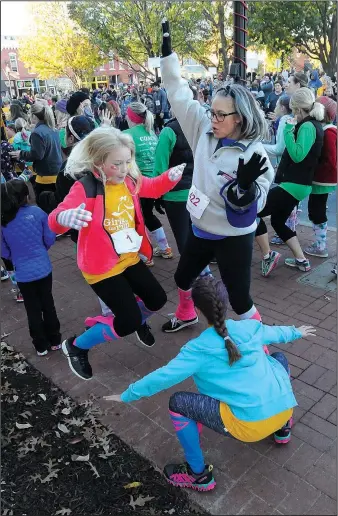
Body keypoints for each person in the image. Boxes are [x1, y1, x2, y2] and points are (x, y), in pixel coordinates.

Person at [103, 276, 316, 491]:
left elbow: (164, 376)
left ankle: (198, 475)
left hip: (248, 426)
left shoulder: (197, 349)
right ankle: (283, 428)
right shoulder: (251, 327)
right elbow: (278, 333)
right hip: (284, 408)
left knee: (178, 403)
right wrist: (296, 331)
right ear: (227, 301)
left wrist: (127, 395)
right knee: (278, 359)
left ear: (196, 307)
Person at [158, 19, 274, 334]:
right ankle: (186, 314)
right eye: (212, 111)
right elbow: (179, 95)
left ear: (240, 118)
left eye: (220, 114)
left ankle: (259, 346)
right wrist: (168, 59)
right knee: (182, 278)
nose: (213, 118)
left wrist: (246, 192)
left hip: (233, 236)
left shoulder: (255, 154)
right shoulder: (204, 132)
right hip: (201, 228)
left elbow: (260, 201)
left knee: (239, 301)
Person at [48, 127, 186, 380]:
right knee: (126, 319)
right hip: (101, 266)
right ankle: (77, 346)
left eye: (127, 161)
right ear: (99, 162)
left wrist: (171, 177)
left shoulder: (130, 180)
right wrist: (64, 217)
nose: (124, 168)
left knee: (156, 299)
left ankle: (137, 321)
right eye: (117, 164)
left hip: (128, 257)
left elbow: (153, 187)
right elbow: (55, 218)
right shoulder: (86, 187)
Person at [256, 88, 324, 276]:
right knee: (278, 221)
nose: (293, 114)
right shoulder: (312, 125)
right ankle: (302, 260)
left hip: (294, 184)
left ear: (300, 109)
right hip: (297, 185)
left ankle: (268, 256)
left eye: (294, 110)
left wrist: (287, 130)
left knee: (253, 212)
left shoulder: (309, 126)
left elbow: (298, 154)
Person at [1, 180, 61, 355]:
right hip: (43, 268)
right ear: (26, 196)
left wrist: (16, 256)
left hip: (23, 273)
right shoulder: (38, 212)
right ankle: (55, 340)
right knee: (48, 304)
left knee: (32, 308)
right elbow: (50, 236)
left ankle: (40, 345)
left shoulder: (4, 221)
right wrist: (41, 250)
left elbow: (3, 250)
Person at [124, 102, 173, 262]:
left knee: (137, 218)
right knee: (147, 215)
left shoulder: (127, 134)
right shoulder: (151, 132)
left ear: (131, 117)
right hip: (154, 182)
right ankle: (164, 248)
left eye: (127, 113)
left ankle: (146, 255)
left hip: (138, 183)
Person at [9, 102, 62, 208]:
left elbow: (37, 155)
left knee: (44, 207)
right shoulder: (53, 129)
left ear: (33, 116)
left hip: (45, 176)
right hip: (56, 173)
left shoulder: (37, 132)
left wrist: (21, 153)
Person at [304, 96, 337, 258]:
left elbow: (330, 159)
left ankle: (320, 245)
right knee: (316, 208)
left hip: (322, 179)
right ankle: (320, 242)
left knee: (316, 210)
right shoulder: (328, 130)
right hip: (322, 178)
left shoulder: (329, 132)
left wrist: (315, 169)